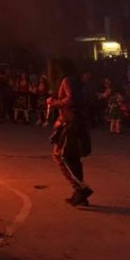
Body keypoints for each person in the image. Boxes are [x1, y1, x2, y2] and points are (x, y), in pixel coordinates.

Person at [47, 58, 93, 207]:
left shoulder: (68, 81)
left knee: (60, 156)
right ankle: (79, 194)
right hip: (75, 123)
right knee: (72, 158)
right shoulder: (76, 82)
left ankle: (80, 188)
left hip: (72, 125)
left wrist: (55, 103)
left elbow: (71, 100)